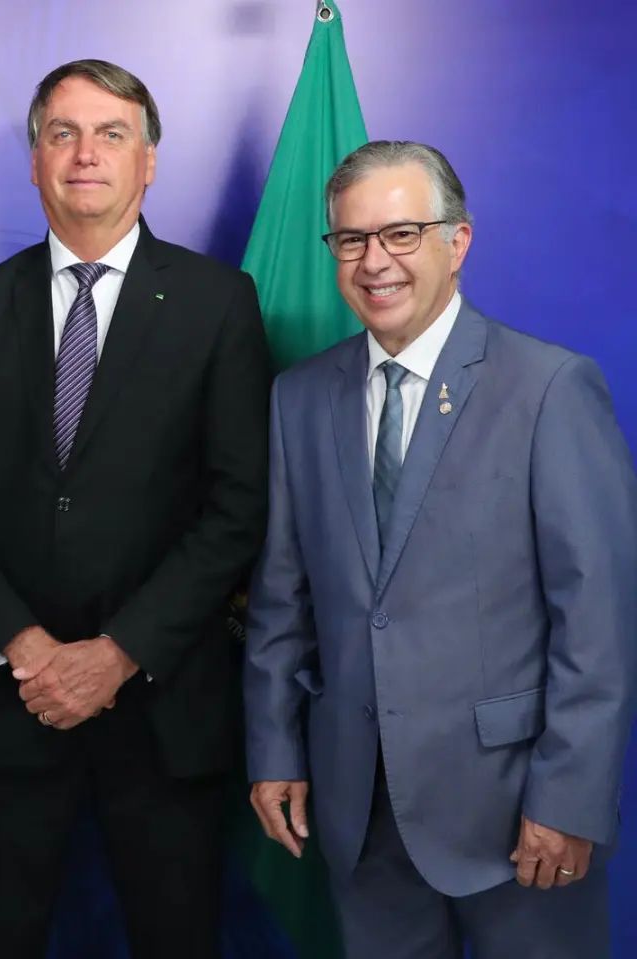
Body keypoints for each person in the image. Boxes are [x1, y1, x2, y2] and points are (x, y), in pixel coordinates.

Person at [0, 59, 271, 958]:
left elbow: (238, 505)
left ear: (149, 163)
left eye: (112, 134)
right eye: (61, 133)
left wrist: (118, 654)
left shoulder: (218, 303)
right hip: (12, 705)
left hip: (162, 707)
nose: (85, 154)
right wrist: (27, 649)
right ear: (33, 161)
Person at [244, 139, 637, 958]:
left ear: (457, 243)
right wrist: (276, 748)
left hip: (515, 814)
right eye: (351, 239)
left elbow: (596, 619)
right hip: (359, 810)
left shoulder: (550, 388)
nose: (374, 261)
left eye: (402, 234)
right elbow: (283, 599)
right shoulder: (299, 398)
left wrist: (567, 797)